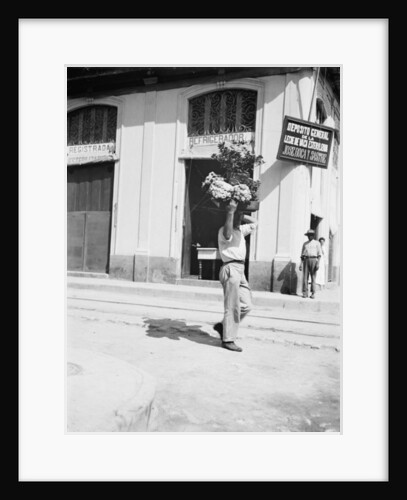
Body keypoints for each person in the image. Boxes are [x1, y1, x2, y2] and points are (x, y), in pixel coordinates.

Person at [213, 199, 258, 352]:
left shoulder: (240, 230)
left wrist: (241, 212)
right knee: (232, 306)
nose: (239, 218)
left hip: (240, 270)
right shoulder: (225, 230)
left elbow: (255, 222)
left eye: (240, 216)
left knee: (247, 305)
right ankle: (228, 339)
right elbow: (227, 234)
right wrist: (231, 212)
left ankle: (224, 327)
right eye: (237, 216)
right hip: (231, 268)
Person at [299, 229, 322, 299]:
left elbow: (319, 254)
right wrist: (300, 264)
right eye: (308, 235)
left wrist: (318, 263)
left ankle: (313, 293)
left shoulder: (317, 243)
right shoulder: (305, 244)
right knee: (305, 277)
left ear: (313, 236)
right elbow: (302, 255)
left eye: (311, 235)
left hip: (313, 260)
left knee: (313, 277)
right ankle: (305, 293)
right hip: (306, 260)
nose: (309, 237)